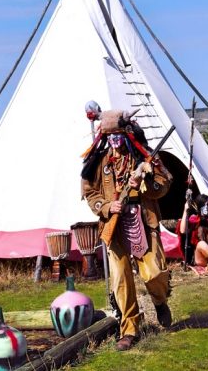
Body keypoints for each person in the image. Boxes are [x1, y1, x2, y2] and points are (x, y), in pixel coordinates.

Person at [81, 100, 174, 351]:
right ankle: (129, 330)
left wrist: (145, 184)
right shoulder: (98, 162)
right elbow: (90, 193)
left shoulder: (144, 158)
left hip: (143, 220)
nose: (114, 142)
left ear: (127, 136)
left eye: (118, 137)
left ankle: (159, 300)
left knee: (153, 273)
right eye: (109, 137)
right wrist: (106, 207)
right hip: (114, 224)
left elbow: (164, 185)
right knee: (121, 279)